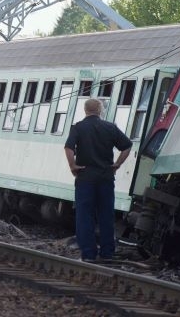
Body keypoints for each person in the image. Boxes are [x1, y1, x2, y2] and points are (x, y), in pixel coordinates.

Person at [64, 98, 132, 262]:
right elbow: (127, 146)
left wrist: (73, 165)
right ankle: (107, 252)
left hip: (85, 177)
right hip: (105, 177)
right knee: (106, 215)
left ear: (85, 110)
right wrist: (117, 164)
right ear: (100, 110)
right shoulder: (110, 127)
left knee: (84, 215)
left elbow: (68, 147)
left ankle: (88, 254)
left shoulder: (78, 127)